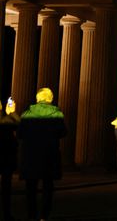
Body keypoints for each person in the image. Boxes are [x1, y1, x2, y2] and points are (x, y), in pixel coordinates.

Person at [17, 88, 66, 221]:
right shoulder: (57, 113)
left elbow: (20, 134)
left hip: (31, 155)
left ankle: (31, 215)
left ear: (38, 98)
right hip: (49, 155)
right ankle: (44, 216)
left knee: (30, 188)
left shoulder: (27, 114)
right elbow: (62, 133)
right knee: (48, 187)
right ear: (50, 98)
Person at [0, 98, 19, 221]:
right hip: (6, 158)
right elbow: (19, 125)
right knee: (6, 188)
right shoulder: (6, 121)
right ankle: (6, 214)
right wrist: (12, 112)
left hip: (6, 158)